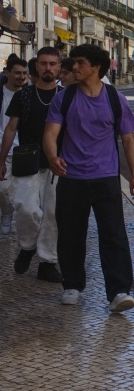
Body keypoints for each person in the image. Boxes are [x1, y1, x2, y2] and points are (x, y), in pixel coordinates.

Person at [43, 44, 134, 312]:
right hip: (71, 177)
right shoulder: (63, 98)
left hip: (106, 177)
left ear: (96, 67)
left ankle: (119, 292)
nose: (74, 67)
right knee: (71, 235)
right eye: (73, 62)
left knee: (114, 235)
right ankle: (72, 286)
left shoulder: (114, 98)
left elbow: (128, 139)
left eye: (80, 62)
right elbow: (50, 134)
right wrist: (53, 157)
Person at [0, 47, 63, 282]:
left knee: (53, 215)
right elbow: (10, 129)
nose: (48, 68)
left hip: (58, 164)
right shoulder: (24, 95)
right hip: (27, 162)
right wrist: (1, 160)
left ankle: (47, 261)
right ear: (36, 66)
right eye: (44, 64)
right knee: (24, 207)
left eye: (52, 64)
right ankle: (27, 246)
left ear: (58, 67)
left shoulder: (65, 96)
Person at [0, 57, 30, 234]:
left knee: (24, 193)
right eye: (17, 73)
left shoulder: (29, 94)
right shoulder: (1, 93)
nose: (21, 76)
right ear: (7, 73)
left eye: (24, 73)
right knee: (2, 188)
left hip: (23, 150)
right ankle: (6, 212)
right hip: (2, 148)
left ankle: (23, 221)